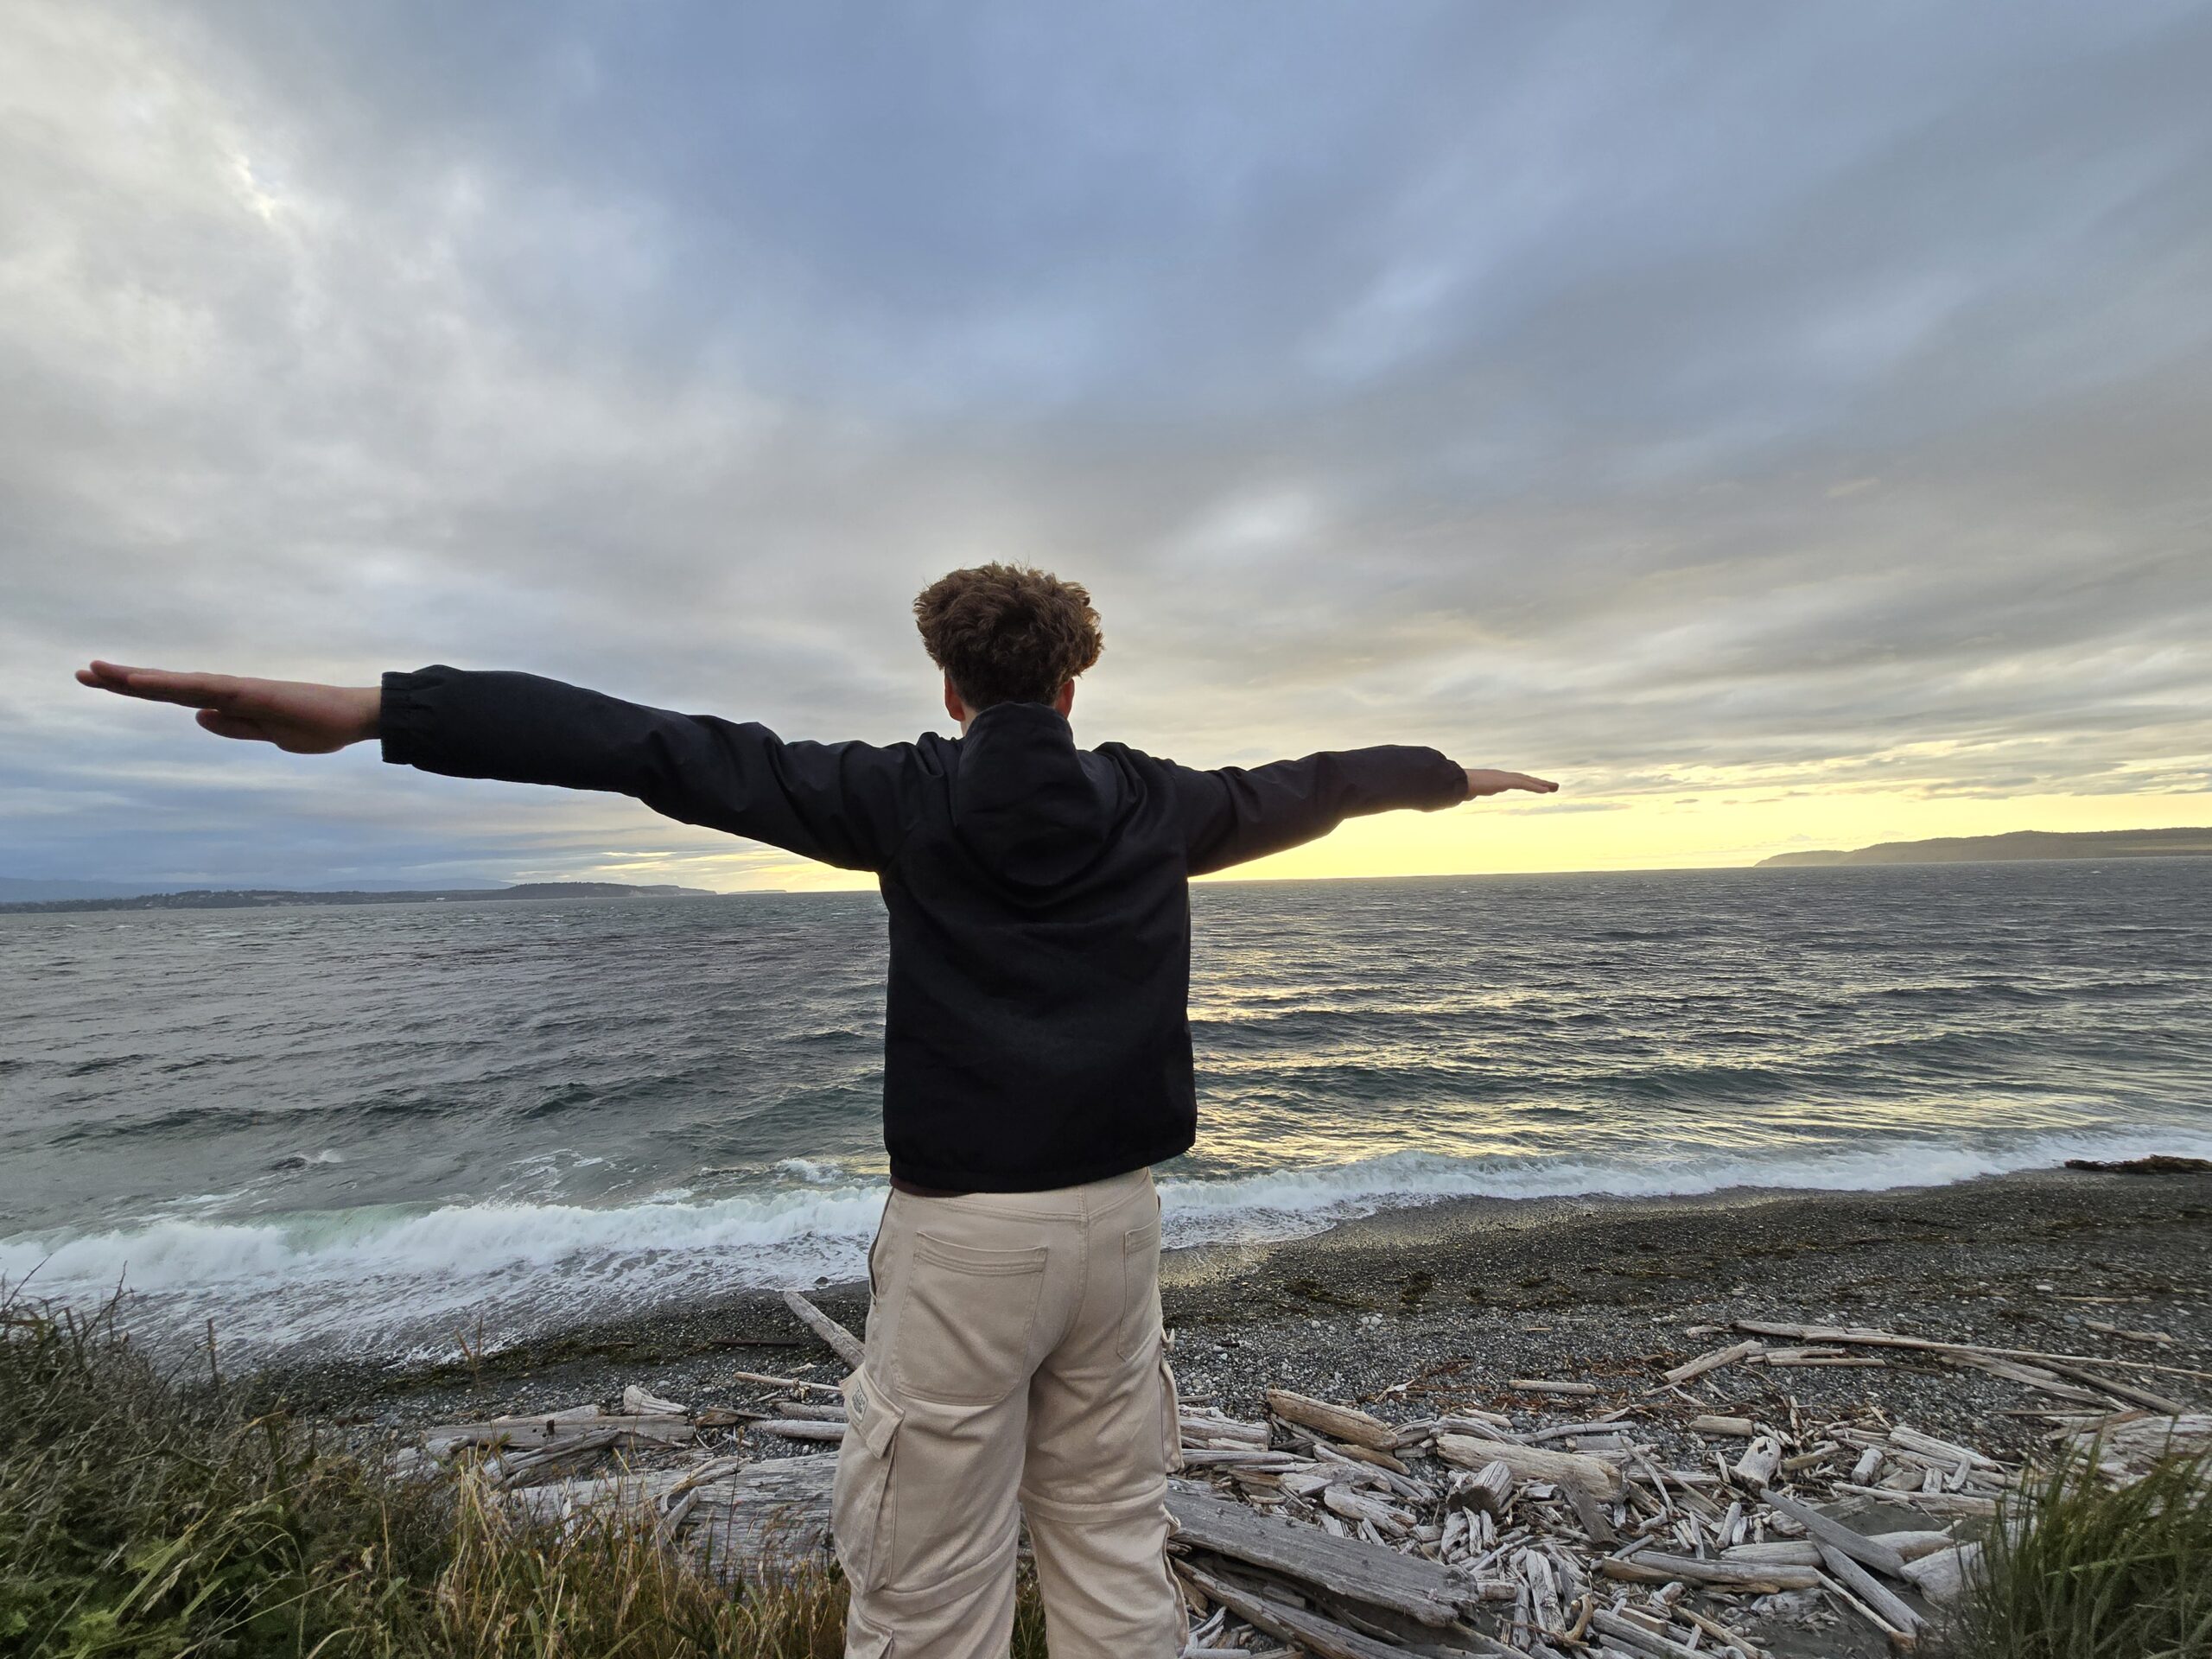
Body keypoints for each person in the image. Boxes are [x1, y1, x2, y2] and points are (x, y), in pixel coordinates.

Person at [79, 563, 1556, 1658]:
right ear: (1072, 680)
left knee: (925, 1575)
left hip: (972, 1243)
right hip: (1120, 1231)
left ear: (949, 684)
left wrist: (376, 711)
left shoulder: (897, 795)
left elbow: (650, 746)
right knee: (1110, 1537)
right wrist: (1447, 777)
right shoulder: (1151, 803)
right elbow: (1311, 782)